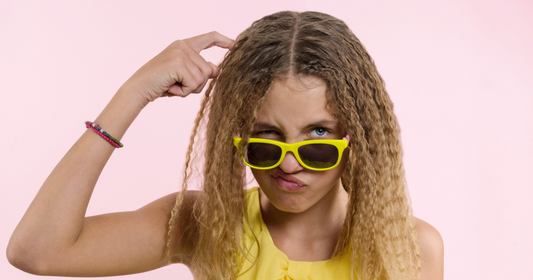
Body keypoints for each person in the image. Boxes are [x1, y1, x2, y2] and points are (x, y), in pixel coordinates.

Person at [7, 11, 443, 280]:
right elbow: (36, 251)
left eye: (317, 140)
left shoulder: (409, 247)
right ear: (236, 139)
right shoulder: (205, 225)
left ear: (356, 138)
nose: (289, 166)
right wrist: (132, 93)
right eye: (265, 141)